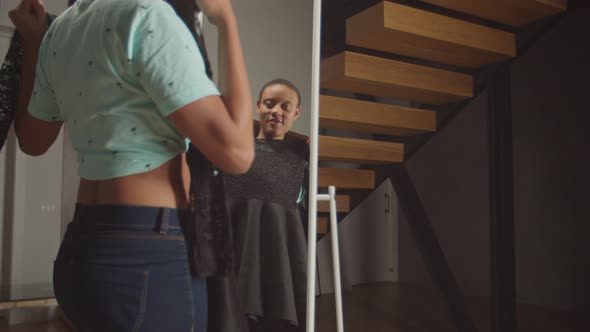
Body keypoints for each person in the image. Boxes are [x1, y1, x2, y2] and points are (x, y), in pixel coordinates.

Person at [8, 0, 254, 330]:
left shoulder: (61, 30)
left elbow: (32, 141)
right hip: (144, 257)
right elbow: (237, 153)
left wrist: (34, 39)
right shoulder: (146, 14)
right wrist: (226, 18)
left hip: (81, 252)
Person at [224, 78, 308, 332]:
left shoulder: (302, 154)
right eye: (270, 104)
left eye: (285, 107)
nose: (276, 112)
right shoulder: (237, 147)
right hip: (236, 238)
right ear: (259, 105)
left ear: (296, 113)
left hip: (279, 244)